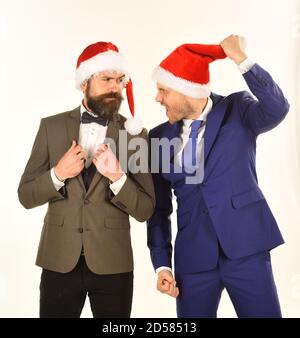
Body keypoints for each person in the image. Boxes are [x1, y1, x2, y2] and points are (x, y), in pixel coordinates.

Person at [147, 35, 289, 318]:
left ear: (185, 90)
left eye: (163, 90)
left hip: (247, 249)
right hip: (193, 261)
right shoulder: (157, 137)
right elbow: (158, 210)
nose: (157, 98)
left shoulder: (238, 109)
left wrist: (241, 58)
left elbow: (277, 108)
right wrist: (162, 265)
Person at [18, 41, 155, 318]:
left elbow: (145, 209)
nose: (115, 87)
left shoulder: (135, 135)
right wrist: (58, 174)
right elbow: (25, 195)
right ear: (84, 83)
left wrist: (118, 177)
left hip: (113, 265)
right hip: (58, 262)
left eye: (119, 80)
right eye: (106, 79)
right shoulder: (50, 127)